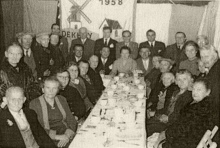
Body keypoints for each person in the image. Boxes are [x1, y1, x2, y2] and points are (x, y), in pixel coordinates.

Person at [160, 79, 215, 148]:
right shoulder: (198, 103)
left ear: (208, 92)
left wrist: (167, 133)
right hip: (185, 139)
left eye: (199, 90)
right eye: (194, 89)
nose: (195, 92)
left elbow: (184, 128)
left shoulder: (202, 109)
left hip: (186, 143)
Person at [29, 77, 77, 148]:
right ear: (43, 89)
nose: (51, 91)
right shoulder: (34, 104)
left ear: (57, 90)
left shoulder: (62, 99)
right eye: (48, 88)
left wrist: (67, 134)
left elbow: (71, 119)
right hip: (47, 137)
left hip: (66, 133)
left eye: (54, 88)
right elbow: (36, 128)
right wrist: (57, 137)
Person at [147, 70, 193, 136]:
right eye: (179, 79)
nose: (181, 82)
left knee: (147, 128)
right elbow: (167, 108)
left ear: (190, 80)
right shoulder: (175, 92)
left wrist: (167, 118)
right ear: (176, 81)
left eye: (184, 79)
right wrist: (156, 114)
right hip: (165, 118)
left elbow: (180, 116)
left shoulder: (189, 96)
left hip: (172, 125)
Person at [200, 45, 220, 139]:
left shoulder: (216, 71)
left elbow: (214, 97)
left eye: (206, 56)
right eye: (202, 57)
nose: (204, 60)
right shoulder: (213, 69)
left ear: (215, 56)